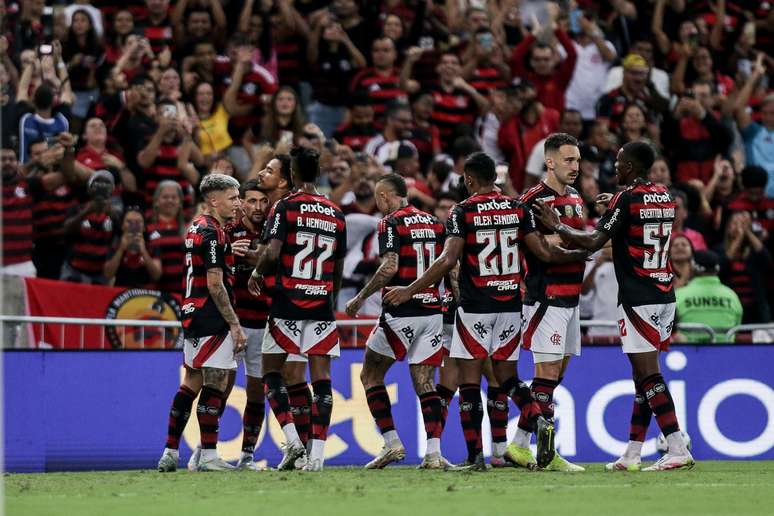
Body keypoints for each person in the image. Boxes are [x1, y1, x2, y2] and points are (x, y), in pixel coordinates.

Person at [384, 152, 587, 470]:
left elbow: (447, 261)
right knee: (508, 378)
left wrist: (410, 289)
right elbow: (543, 252)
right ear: (496, 177)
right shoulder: (517, 207)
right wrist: (580, 252)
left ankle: (476, 457)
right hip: (509, 306)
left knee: (468, 382)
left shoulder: (461, 210)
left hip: (475, 306)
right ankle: (538, 419)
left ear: (468, 179)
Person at [533, 141, 695, 471]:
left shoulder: (627, 198)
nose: (616, 167)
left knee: (649, 376)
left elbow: (595, 240)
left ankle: (677, 444)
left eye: (620, 162)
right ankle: (633, 453)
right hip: (664, 294)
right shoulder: (663, 194)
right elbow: (632, 225)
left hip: (639, 298)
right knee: (642, 378)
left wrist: (557, 224)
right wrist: (613, 212)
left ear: (632, 167)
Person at [250, 148, 347, 472]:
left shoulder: (285, 207)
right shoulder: (336, 213)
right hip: (321, 304)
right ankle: (316, 455)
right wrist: (327, 300)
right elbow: (337, 265)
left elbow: (273, 252)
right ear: (317, 174)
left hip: (287, 303)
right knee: (322, 381)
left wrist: (258, 272)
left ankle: (293, 441)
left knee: (271, 373)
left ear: (291, 174)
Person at [344, 174, 447, 470]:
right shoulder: (435, 223)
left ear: (387, 196)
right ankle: (433, 453)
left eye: (379, 198)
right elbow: (448, 267)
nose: (378, 203)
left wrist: (361, 297)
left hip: (401, 312)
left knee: (370, 376)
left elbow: (390, 266)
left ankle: (392, 443)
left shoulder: (390, 223)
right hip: (432, 311)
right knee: (426, 383)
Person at [157, 173, 247, 473]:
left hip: (191, 311)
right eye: (233, 198)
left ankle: (170, 451)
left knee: (192, 381)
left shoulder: (197, 225)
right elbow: (215, 284)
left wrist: (229, 252)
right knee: (216, 382)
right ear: (214, 200)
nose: (238, 203)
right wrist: (234, 324)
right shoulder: (212, 233)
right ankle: (208, 455)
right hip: (211, 314)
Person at [515, 133, 591, 472]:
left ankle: (518, 445)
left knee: (555, 375)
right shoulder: (532, 201)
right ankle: (548, 453)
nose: (575, 166)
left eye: (577, 160)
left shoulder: (575, 197)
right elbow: (545, 251)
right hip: (545, 298)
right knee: (545, 373)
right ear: (549, 162)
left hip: (571, 298)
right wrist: (581, 246)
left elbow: (577, 241)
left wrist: (567, 240)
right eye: (568, 160)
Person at [223, 180, 270, 471]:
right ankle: (206, 452)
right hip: (233, 325)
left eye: (263, 202)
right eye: (251, 201)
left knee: (256, 392)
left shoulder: (273, 234)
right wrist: (229, 251)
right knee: (220, 389)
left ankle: (248, 456)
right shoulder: (228, 232)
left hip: (262, 325)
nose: (257, 207)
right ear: (242, 203)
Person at [60, 170, 118, 285]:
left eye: (106, 183)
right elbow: (66, 230)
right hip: (74, 271)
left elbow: (121, 237)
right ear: (89, 188)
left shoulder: (116, 213)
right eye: (98, 183)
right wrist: (85, 213)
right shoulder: (77, 209)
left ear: (112, 189)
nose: (102, 186)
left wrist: (113, 216)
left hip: (101, 274)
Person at [676, 250, 742, 343]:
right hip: (725, 353)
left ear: (692, 267)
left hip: (689, 353)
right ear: (717, 269)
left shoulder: (679, 295)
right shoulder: (732, 296)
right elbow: (736, 328)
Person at [103, 206, 162, 288]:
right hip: (121, 294)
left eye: (138, 221)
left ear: (144, 227)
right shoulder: (115, 246)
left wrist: (143, 251)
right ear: (122, 225)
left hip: (146, 294)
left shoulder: (152, 246)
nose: (134, 225)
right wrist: (121, 249)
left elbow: (156, 275)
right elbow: (108, 274)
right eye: (129, 221)